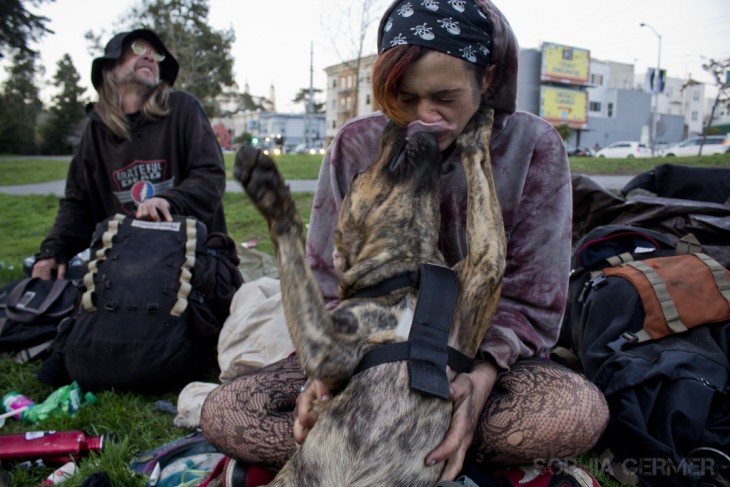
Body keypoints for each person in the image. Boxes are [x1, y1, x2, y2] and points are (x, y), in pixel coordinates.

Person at [200, 0, 609, 484]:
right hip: (363, 361)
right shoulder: (357, 144)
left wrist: (476, 383)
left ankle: (419, 445)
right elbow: (329, 281)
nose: (423, 115)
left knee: (573, 413)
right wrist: (324, 380)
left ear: (487, 78)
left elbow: (533, 303)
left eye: (445, 96)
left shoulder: (533, 146)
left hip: (481, 359)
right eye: (403, 97)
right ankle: (417, 455)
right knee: (228, 412)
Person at [32, 29, 227, 280]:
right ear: (111, 68)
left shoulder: (182, 108)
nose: (149, 56)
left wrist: (169, 202)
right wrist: (53, 250)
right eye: (137, 49)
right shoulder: (96, 130)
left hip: (193, 260)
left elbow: (210, 176)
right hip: (125, 265)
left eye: (155, 53)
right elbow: (78, 202)